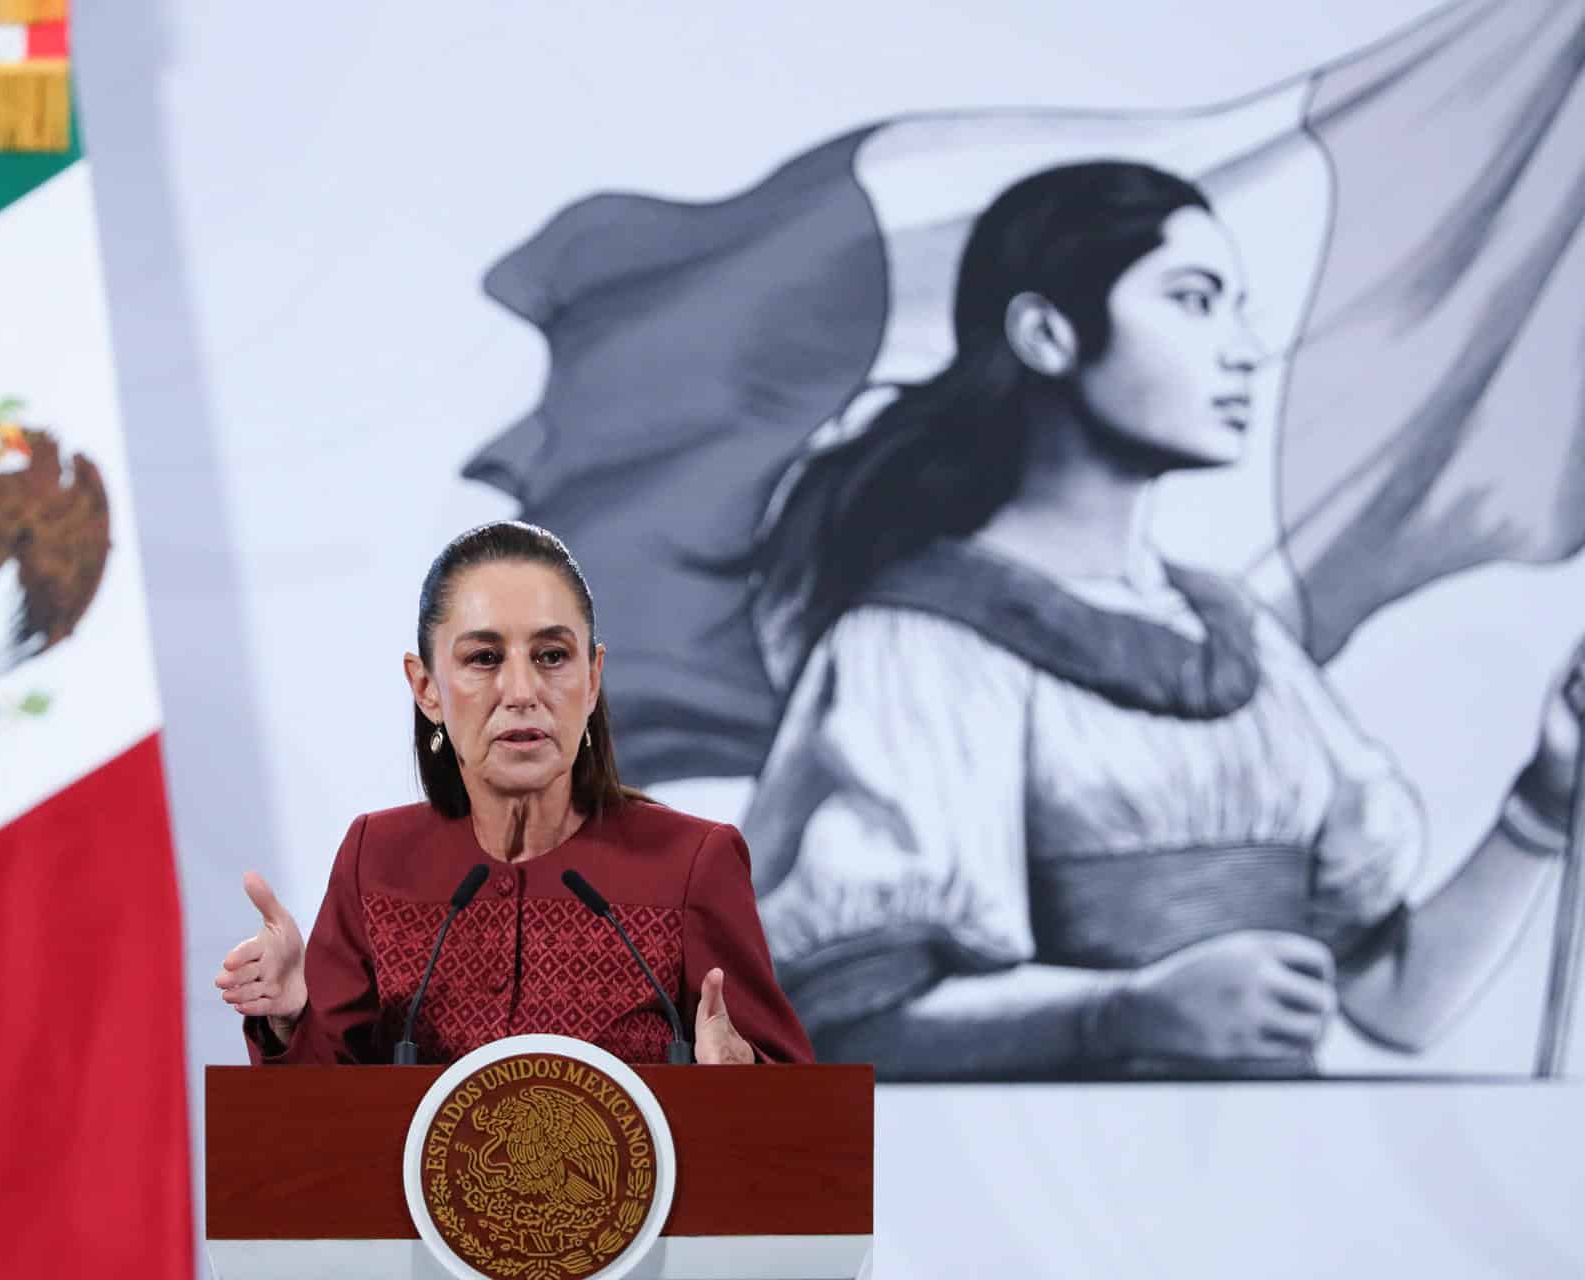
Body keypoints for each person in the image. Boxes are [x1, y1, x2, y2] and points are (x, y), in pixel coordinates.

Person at [739, 159, 1583, 1079]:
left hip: (1272, 1188)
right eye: (1194, 299)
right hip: (1040, 1202)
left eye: (1237, 305)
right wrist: (1122, 1014)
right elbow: (836, 1027)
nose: (1242, 347)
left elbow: (1396, 1002)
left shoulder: (1244, 639)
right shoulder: (917, 645)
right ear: (1047, 333)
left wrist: (1546, 795)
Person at [215, 520, 813, 1066]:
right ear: (425, 688)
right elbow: (316, 1135)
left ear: (593, 677)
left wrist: (745, 1080)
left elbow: (797, 1122)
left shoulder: (692, 864)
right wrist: (293, 1015)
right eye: (484, 657)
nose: (522, 690)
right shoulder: (374, 858)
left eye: (552, 656)